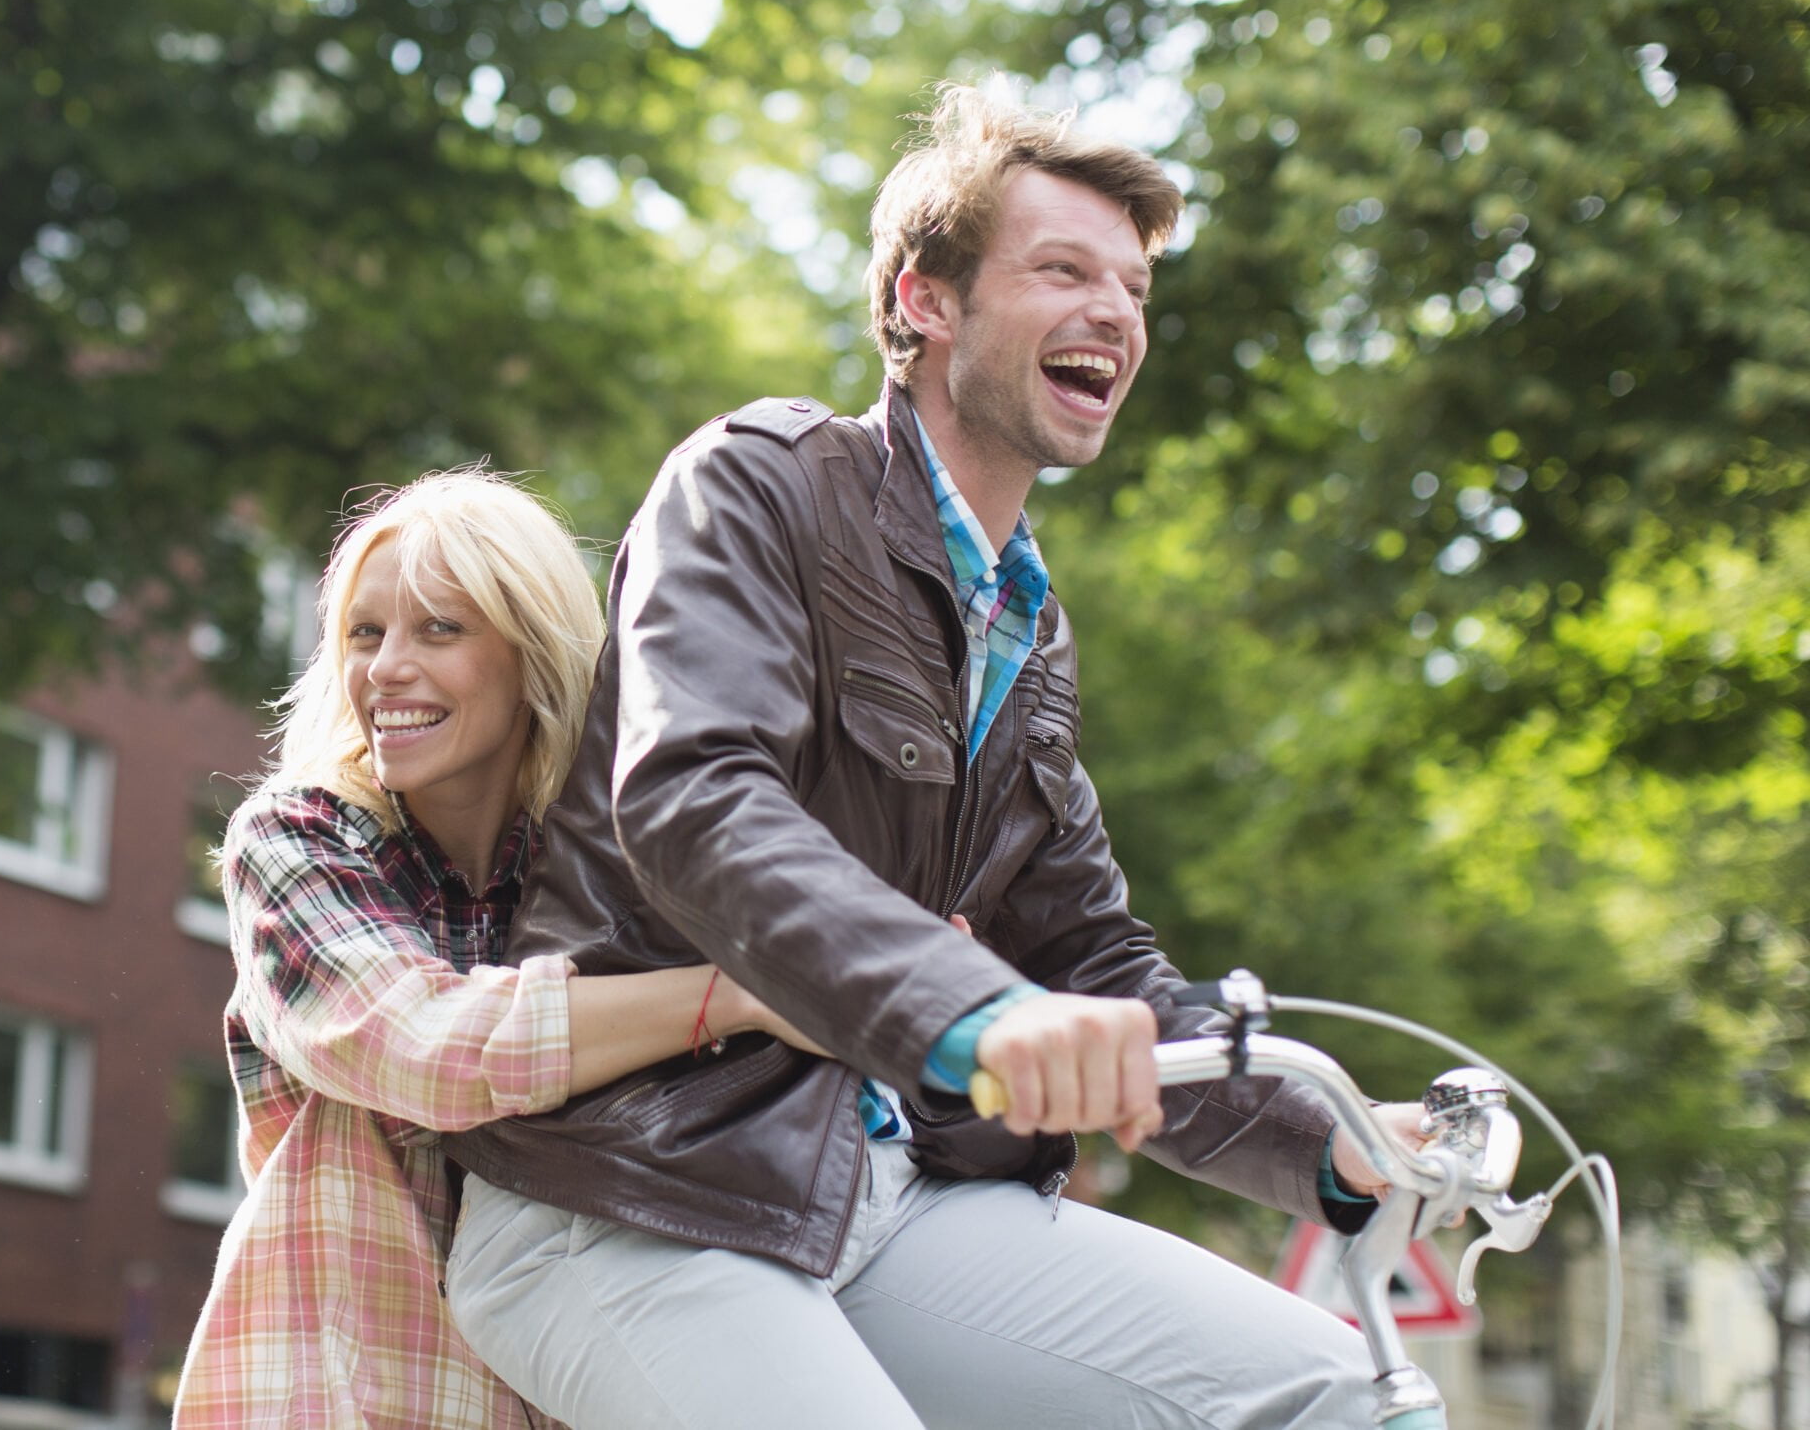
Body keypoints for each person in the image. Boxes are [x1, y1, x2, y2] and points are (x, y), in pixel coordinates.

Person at [443, 85, 1425, 1430]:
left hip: (890, 1199)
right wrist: (983, 1010)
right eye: (1064, 269)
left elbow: (1094, 955)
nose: (1119, 314)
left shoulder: (1028, 628)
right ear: (927, 301)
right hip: (637, 1188)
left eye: (1135, 288)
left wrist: (1337, 1144)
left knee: (1347, 1390)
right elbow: (698, 802)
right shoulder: (758, 484)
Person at [171, 470, 822, 1430]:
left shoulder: (613, 874)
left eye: (440, 629)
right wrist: (732, 994)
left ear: (533, 655)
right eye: (365, 632)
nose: (387, 666)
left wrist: (885, 951)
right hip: (334, 1397)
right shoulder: (298, 843)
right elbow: (416, 1044)